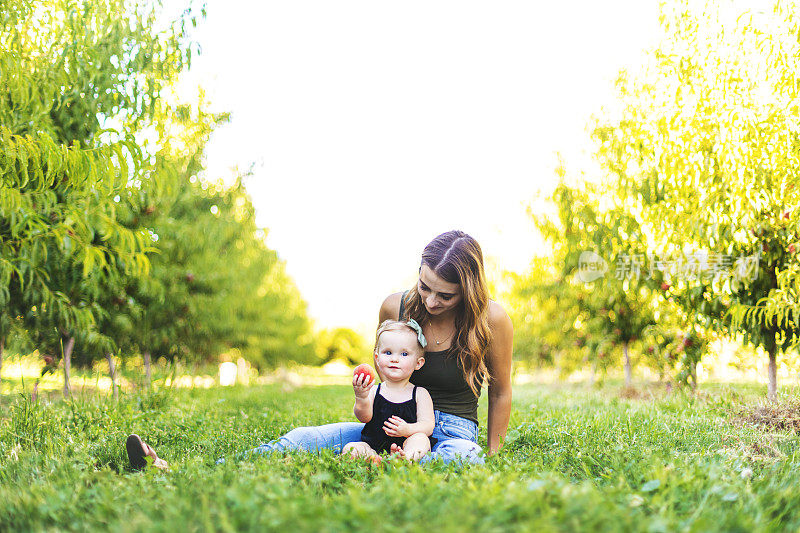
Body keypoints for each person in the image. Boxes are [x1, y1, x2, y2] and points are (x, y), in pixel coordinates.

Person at [127, 230, 513, 468]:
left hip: (452, 431)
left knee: (461, 459)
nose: (429, 301)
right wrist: (366, 395)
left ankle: (390, 465)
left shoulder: (491, 321)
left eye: (444, 295)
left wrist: (493, 455)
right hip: (391, 421)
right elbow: (388, 379)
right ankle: (169, 466)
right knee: (305, 439)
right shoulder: (395, 307)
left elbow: (501, 391)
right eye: (424, 286)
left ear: (469, 289)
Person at [343, 318, 436, 463]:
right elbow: (364, 418)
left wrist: (407, 429)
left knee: (421, 439)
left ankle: (406, 458)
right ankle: (372, 459)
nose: (394, 359)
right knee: (352, 447)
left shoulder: (419, 393)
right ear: (377, 358)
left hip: (407, 442)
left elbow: (428, 426)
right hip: (373, 446)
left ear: (418, 363)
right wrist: (361, 397)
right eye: (388, 352)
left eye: (404, 354)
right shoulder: (374, 391)